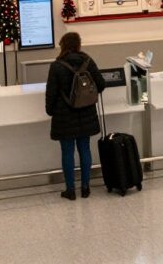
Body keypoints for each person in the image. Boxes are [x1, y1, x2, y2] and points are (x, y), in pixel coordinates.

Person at [45, 32, 106, 200]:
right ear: (78, 44)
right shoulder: (88, 61)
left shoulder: (56, 66)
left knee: (67, 152)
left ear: (63, 45)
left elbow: (51, 93)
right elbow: (101, 84)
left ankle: (70, 190)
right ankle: (85, 187)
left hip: (64, 117)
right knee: (85, 149)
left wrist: (50, 110)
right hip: (86, 113)